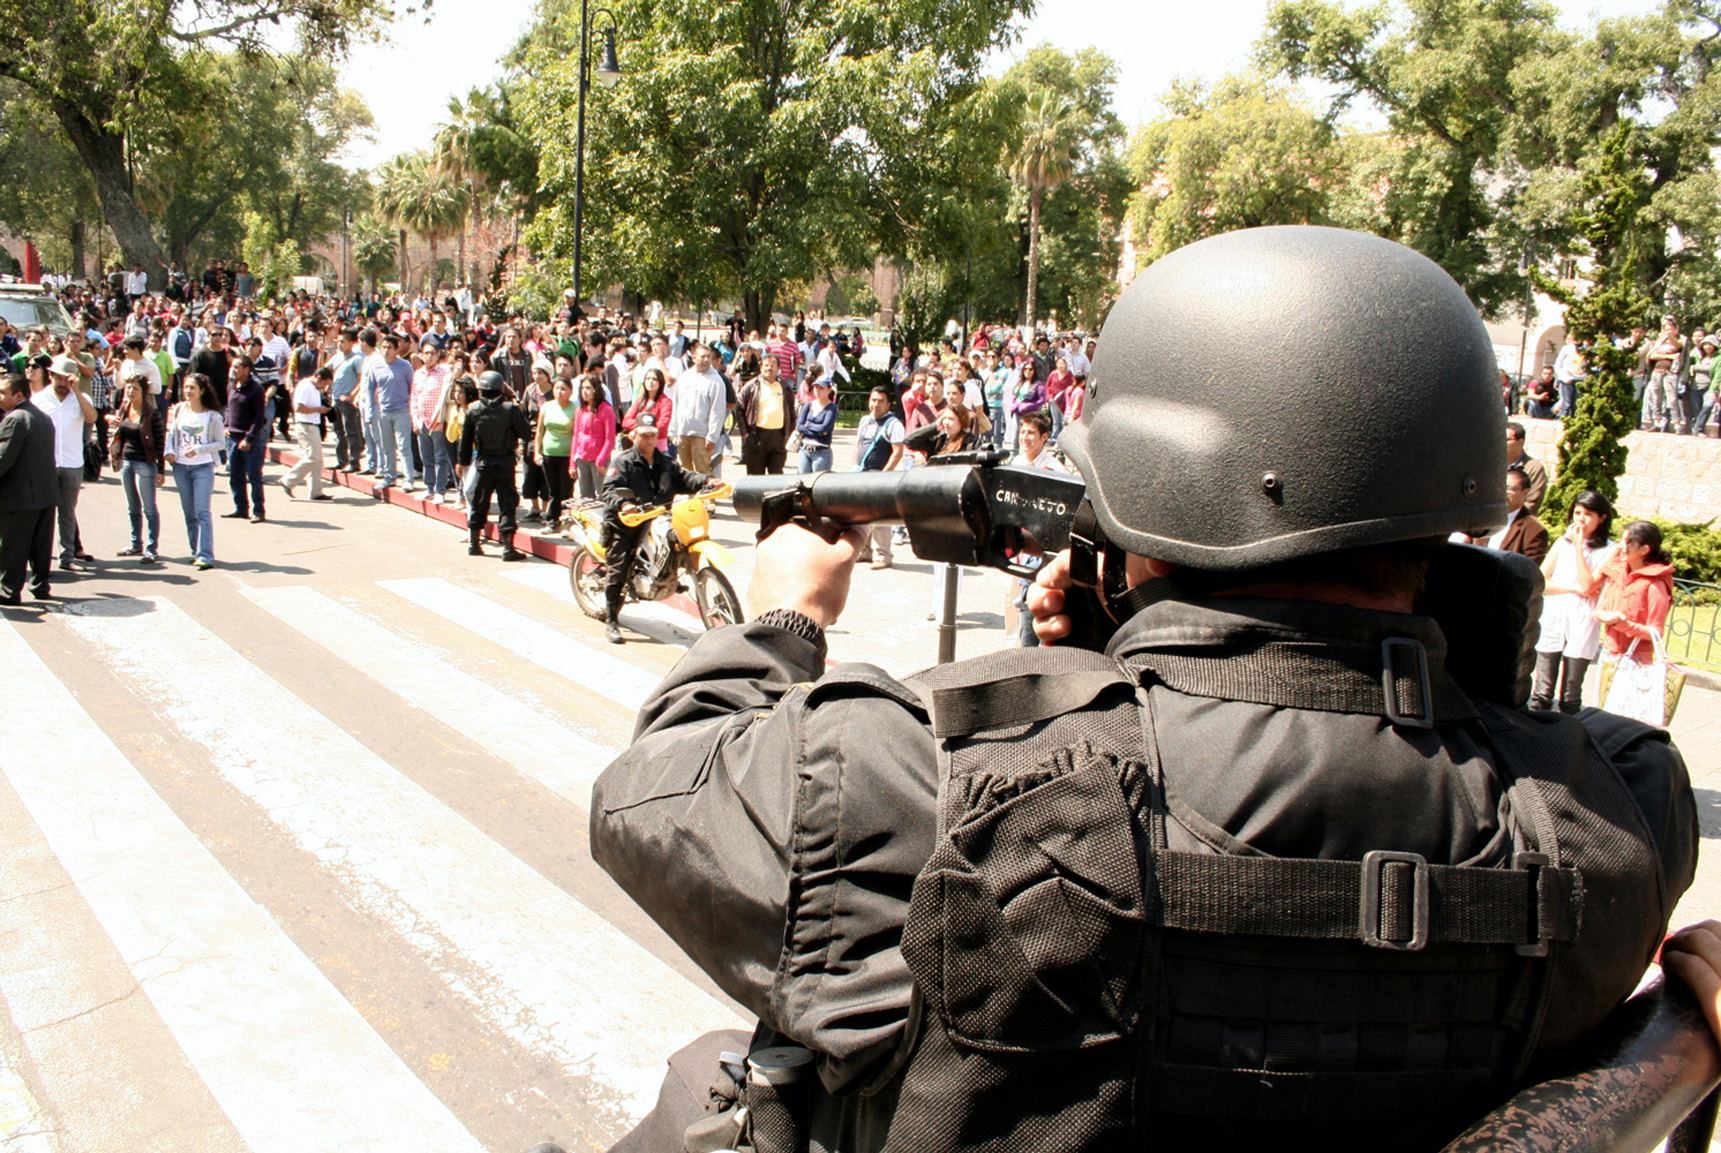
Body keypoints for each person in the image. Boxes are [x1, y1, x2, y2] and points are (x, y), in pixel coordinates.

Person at [590, 226, 1696, 1153]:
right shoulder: (1620, 812)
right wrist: (1129, 649)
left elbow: (649, 793)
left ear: (1158, 485)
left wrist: (787, 619)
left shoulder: (921, 776)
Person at [597, 413, 711, 644]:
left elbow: (685, 477)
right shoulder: (623, 462)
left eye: (653, 435)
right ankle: (611, 619)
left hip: (658, 518)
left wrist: (708, 481)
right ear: (634, 435)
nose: (649, 440)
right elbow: (608, 489)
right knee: (618, 567)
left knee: (678, 540)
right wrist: (624, 504)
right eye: (644, 435)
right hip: (627, 523)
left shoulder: (665, 462)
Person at [1531, 490, 1618, 713]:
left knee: (1571, 693)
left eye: (1588, 514)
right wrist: (1572, 589)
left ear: (1602, 518)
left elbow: (1589, 586)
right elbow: (1542, 581)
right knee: (1542, 690)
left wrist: (1579, 547)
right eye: (1577, 512)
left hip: (1583, 618)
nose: (1580, 518)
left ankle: (1568, 733)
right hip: (1555, 614)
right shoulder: (1562, 542)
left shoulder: (1611, 549)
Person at [456, 371, 530, 562]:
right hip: (505, 463)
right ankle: (508, 547)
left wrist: (462, 462)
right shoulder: (510, 409)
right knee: (507, 504)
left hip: (483, 462)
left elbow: (465, 441)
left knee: (480, 503)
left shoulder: (473, 409)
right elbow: (526, 433)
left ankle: (474, 543)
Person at [1008, 409, 1066, 646]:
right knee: (1015, 607)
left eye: (1031, 433)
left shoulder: (1054, 471)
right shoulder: (1015, 463)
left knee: (1032, 610)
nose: (1025, 437)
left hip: (1040, 551)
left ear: (1045, 438)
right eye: (1022, 432)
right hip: (1017, 547)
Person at [34, 357, 96, 571]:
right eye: (58, 378)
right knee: (43, 513)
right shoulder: (39, 399)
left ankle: (67, 557)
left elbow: (91, 418)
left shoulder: (81, 398)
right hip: (45, 463)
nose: (62, 384)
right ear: (51, 376)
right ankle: (40, 559)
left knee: (67, 512)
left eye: (66, 379)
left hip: (72, 463)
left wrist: (77, 391)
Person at [0, 374, 58, 604]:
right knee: (40, 546)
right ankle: (41, 586)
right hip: (45, 493)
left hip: (21, 496)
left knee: (15, 545)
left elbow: (3, 459)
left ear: (19, 395)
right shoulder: (42, 417)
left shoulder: (15, 418)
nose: (0, 397)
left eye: (3, 392)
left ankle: (9, 591)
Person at [163, 373, 225, 570]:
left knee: (202, 512)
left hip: (202, 467)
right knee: (189, 513)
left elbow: (220, 443)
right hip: (181, 468)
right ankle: (195, 551)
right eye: (186, 387)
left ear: (202, 391)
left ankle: (206, 555)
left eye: (192, 388)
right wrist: (170, 451)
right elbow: (172, 434)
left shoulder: (212, 416)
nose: (188, 391)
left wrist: (198, 449)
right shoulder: (180, 409)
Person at [1596, 520, 1676, 669]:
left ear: (1644, 549)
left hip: (1636, 662)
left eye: (1628, 542)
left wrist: (1623, 624)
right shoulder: (1617, 572)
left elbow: (1655, 632)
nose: (1621, 546)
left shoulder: (1655, 582)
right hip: (1609, 655)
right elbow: (1599, 610)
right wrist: (1605, 616)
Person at [109, 373, 166, 562]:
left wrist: (160, 470)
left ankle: (151, 548)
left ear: (143, 392)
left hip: (145, 463)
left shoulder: (151, 413)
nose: (130, 391)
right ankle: (135, 544)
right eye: (128, 388)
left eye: (135, 388)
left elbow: (160, 442)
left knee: (149, 508)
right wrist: (112, 420)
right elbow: (119, 430)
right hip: (127, 461)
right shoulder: (124, 408)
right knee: (132, 506)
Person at [851, 384, 905, 570]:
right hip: (861, 475)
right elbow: (858, 445)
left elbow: (897, 452)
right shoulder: (865, 420)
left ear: (888, 404)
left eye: (880, 401)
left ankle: (884, 555)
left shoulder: (894, 424)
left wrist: (885, 475)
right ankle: (864, 551)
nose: (876, 404)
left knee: (879, 517)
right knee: (861, 515)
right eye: (873, 400)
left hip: (879, 477)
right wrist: (855, 466)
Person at [367, 334, 416, 496]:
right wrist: (369, 412)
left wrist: (413, 411)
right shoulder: (376, 366)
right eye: (384, 347)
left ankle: (408, 479)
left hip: (402, 410)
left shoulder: (405, 366)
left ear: (396, 350)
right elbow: (370, 390)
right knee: (387, 446)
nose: (386, 350)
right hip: (383, 411)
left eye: (389, 347)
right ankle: (390, 477)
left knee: (403, 446)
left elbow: (412, 389)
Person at [1466, 466, 1548, 561]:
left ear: (1525, 492)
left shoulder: (1534, 529)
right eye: (1500, 486)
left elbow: (1529, 568)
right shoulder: (1483, 517)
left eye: (1509, 488)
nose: (1503, 492)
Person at [669, 344, 729, 474]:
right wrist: (673, 430)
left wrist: (712, 436)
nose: (706, 359)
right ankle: (689, 495)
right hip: (683, 433)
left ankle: (707, 495)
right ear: (694, 357)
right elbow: (677, 405)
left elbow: (717, 411)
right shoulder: (684, 377)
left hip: (702, 435)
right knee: (685, 472)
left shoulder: (716, 381)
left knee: (704, 472)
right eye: (703, 356)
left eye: (709, 357)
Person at [222, 355, 268, 523]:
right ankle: (241, 508)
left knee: (254, 476)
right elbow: (228, 408)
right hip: (232, 438)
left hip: (250, 440)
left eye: (236, 367)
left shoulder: (256, 390)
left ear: (246, 369)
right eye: (232, 367)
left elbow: (259, 418)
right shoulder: (232, 386)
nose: (233, 371)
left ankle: (259, 510)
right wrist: (226, 425)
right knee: (235, 476)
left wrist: (248, 438)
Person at [737, 351, 795, 476]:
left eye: (773, 366)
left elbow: (791, 412)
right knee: (755, 476)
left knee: (776, 475)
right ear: (761, 367)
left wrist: (789, 432)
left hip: (778, 437)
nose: (769, 368)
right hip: (756, 435)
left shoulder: (785, 387)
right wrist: (745, 433)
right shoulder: (751, 386)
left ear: (778, 368)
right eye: (766, 365)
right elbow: (739, 408)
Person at [280, 366, 333, 501]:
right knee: (312, 457)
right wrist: (318, 409)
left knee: (318, 460)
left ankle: (315, 491)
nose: (324, 387)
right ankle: (288, 480)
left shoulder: (313, 388)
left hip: (312, 425)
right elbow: (298, 408)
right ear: (319, 378)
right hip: (305, 426)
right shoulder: (305, 386)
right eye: (324, 384)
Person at [534, 375, 578, 526]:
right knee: (553, 491)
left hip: (567, 456)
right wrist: (537, 452)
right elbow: (540, 431)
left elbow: (577, 435)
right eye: (557, 388)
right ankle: (552, 520)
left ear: (571, 392)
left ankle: (567, 522)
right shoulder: (547, 406)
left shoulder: (575, 409)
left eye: (564, 389)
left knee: (566, 491)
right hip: (548, 454)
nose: (560, 392)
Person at [570, 374, 617, 502]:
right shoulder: (580, 410)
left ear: (596, 389)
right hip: (582, 459)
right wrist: (572, 463)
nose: (585, 391)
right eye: (583, 388)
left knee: (602, 495)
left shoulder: (606, 409)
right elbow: (576, 436)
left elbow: (610, 439)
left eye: (588, 388)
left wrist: (601, 460)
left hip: (599, 460)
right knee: (585, 496)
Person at [795, 377, 837, 474]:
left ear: (829, 389)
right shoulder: (808, 405)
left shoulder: (831, 408)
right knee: (803, 480)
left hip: (821, 452)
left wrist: (808, 425)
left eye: (821, 388)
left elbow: (824, 428)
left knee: (818, 482)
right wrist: (816, 431)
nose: (817, 390)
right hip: (804, 450)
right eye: (816, 387)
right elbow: (799, 426)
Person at [1504, 422, 1546, 513]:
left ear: (1520, 442)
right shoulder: (1492, 465)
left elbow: (1532, 503)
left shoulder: (1533, 468)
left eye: (1506, 439)